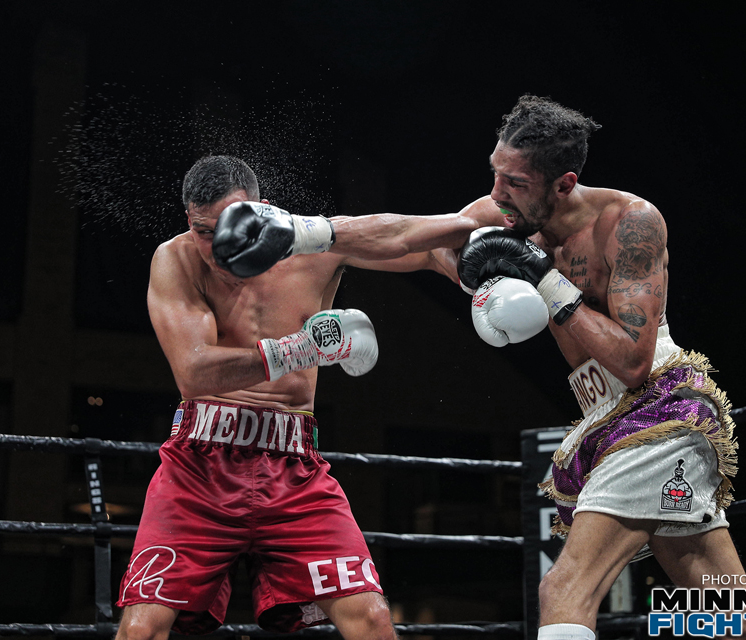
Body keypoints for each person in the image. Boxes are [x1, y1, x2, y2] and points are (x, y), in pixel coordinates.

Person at [214, 96, 746, 640]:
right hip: (607, 414)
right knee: (727, 602)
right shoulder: (505, 212)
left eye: (515, 183)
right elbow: (412, 237)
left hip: (658, 412)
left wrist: (544, 278)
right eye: (496, 174)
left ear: (563, 183)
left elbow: (633, 361)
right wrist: (302, 233)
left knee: (563, 589)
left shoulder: (629, 223)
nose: (498, 192)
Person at [115, 155, 506, 640]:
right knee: (142, 628)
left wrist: (476, 274)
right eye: (203, 230)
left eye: (231, 227)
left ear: (262, 210)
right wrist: (302, 349)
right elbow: (194, 372)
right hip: (198, 469)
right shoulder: (176, 260)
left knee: (372, 619)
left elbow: (417, 242)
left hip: (294, 468)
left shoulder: (314, 246)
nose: (217, 246)